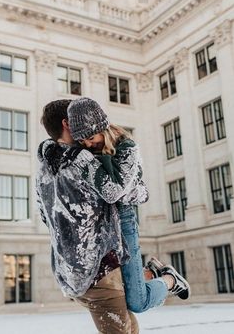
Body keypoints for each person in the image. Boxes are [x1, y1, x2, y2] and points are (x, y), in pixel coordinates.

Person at [67, 97, 191, 313]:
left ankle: (170, 280)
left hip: (123, 224)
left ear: (103, 128)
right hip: (98, 226)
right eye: (81, 141)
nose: (87, 144)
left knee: (137, 302)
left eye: (90, 137)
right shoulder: (85, 151)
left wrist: (83, 159)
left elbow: (113, 192)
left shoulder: (127, 148)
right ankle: (149, 273)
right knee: (110, 289)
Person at [36, 99, 150, 334]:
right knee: (127, 323)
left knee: (131, 323)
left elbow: (45, 216)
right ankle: (157, 276)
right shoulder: (81, 161)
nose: (85, 140)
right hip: (99, 270)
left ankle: (153, 276)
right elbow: (115, 194)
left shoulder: (44, 167)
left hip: (70, 273)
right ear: (68, 124)